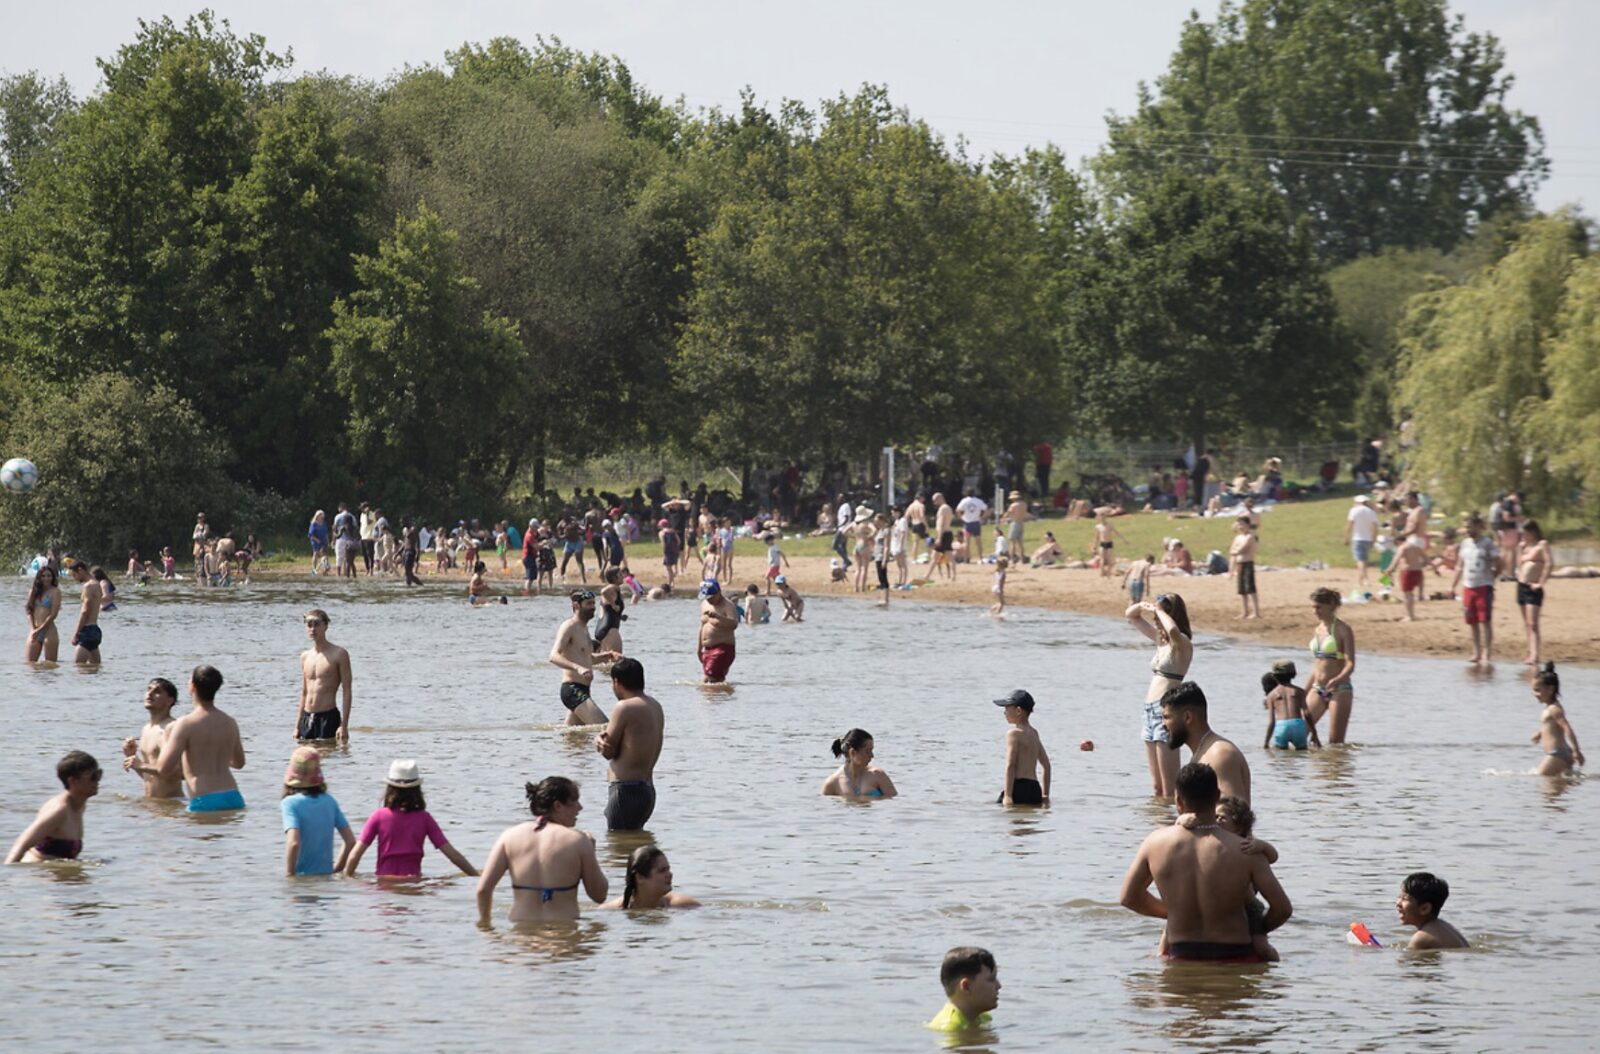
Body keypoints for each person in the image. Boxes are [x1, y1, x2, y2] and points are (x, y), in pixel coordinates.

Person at [1119, 762, 1291, 962]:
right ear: (1217, 796)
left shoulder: (1154, 843)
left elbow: (1129, 898)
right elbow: (1282, 909)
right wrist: (1257, 931)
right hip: (1237, 956)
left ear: (1178, 802)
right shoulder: (1247, 850)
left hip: (1181, 955)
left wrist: (1175, 913)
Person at [475, 776, 608, 924]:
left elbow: (483, 890)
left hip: (521, 937)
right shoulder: (578, 841)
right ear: (558, 806)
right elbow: (600, 895)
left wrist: (485, 924)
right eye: (574, 801)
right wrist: (591, 852)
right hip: (563, 935)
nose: (580, 807)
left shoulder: (508, 836)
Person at [343, 760, 477, 878]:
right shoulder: (424, 818)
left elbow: (355, 855)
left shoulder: (378, 816)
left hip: (384, 882)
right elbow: (452, 854)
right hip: (414, 881)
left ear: (389, 789)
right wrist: (475, 875)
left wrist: (347, 877)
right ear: (417, 790)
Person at [1126, 594, 1193, 798]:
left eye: (1162, 612)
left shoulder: (1182, 642)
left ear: (1172, 613)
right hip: (1149, 711)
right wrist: (1145, 606)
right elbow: (1131, 616)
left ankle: (1175, 824)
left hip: (1168, 712)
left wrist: (1160, 611)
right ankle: (1159, 823)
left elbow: (1172, 630)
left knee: (1170, 791)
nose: (1156, 617)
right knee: (1157, 789)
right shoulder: (1160, 641)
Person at [157, 665, 247, 812]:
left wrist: (166, 738)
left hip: (204, 799)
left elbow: (163, 768)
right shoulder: (230, 721)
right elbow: (239, 763)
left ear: (192, 686)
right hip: (233, 796)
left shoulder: (185, 723)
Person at [594, 658, 664, 831]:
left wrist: (598, 741)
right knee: (633, 846)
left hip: (625, 791)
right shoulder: (655, 705)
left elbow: (608, 751)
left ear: (616, 682)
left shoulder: (624, 707)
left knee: (617, 848)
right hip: (647, 790)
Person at [1162, 681, 1251, 803]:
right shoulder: (1202, 752)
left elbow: (1231, 815)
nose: (1163, 724)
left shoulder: (1219, 754)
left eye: (1167, 717)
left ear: (1187, 717)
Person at [5, 751, 100, 863]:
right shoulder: (59, 810)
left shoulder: (79, 805)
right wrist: (7, 874)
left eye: (99, 774)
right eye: (93, 777)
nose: (98, 781)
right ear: (73, 781)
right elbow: (22, 843)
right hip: (37, 874)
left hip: (55, 877)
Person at [281, 747, 354, 876]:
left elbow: (293, 843)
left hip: (302, 878)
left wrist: (289, 875)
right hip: (326, 878)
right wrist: (336, 868)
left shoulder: (290, 803)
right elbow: (350, 841)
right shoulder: (329, 801)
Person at [550, 591, 615, 726]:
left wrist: (608, 656)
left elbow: (587, 659)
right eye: (588, 604)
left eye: (593, 603)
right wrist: (578, 668)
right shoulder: (569, 626)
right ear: (576, 605)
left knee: (574, 742)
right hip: (572, 689)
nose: (593, 607)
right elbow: (553, 656)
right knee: (605, 727)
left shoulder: (584, 628)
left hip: (584, 689)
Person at [1304, 587, 1356, 744]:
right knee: (1299, 735)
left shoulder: (1343, 630)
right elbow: (1317, 665)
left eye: (1318, 607)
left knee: (1335, 744)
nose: (1315, 611)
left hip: (1339, 690)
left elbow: (1350, 664)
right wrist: (1303, 691)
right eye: (1313, 607)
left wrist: (1338, 679)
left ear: (1331, 605)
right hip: (1318, 688)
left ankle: (1335, 768)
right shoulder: (1318, 630)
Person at [121, 677, 184, 798]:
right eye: (148, 689)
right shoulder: (146, 729)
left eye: (157, 691)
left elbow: (180, 774)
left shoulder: (171, 728)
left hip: (172, 805)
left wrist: (140, 765)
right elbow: (150, 776)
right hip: (152, 804)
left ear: (170, 700)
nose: (150, 694)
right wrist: (132, 757)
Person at [297, 609, 353, 743]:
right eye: (309, 624)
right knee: (305, 761)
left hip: (328, 717)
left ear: (326, 626)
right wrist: (297, 725)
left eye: (316, 624)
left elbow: (347, 691)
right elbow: (304, 693)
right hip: (307, 717)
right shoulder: (305, 656)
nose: (312, 628)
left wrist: (344, 725)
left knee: (328, 760)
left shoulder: (339, 654)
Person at [1451, 514, 1500, 666]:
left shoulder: (1487, 543)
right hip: (1468, 586)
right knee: (1471, 621)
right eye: (1466, 527)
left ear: (1479, 527)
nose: (1467, 530)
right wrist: (1452, 585)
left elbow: (1499, 562)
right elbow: (1460, 566)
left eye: (1470, 527)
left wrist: (1493, 577)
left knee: (1484, 620)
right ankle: (1476, 651)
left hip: (1484, 586)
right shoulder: (1464, 543)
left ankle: (1487, 652)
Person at [926, 946, 1000, 1033]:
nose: (999, 986)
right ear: (966, 986)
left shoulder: (984, 1017)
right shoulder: (950, 1027)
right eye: (991, 979)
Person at [996, 689, 1051, 806]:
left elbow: (1011, 765)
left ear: (1018, 711)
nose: (1004, 712)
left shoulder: (1014, 734)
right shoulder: (1034, 733)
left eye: (1007, 708)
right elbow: (1046, 765)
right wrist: (1045, 795)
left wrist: (1008, 795)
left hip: (1018, 787)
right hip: (1035, 789)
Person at [1529, 663, 1584, 775]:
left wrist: (1577, 751)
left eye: (1538, 690)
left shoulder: (1554, 709)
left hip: (1558, 754)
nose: (1535, 694)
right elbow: (1552, 726)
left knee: (1541, 777)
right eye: (1534, 690)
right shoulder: (1549, 708)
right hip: (1560, 753)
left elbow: (1567, 728)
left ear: (1550, 689)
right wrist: (1540, 734)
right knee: (1555, 787)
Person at [603, 846, 700, 909]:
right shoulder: (612, 909)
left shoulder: (684, 905)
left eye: (668, 869)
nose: (670, 874)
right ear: (640, 877)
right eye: (662, 871)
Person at [1396, 872, 1469, 950]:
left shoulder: (1420, 939)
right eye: (1399, 897)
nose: (1398, 903)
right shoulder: (1443, 926)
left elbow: (1406, 961)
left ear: (1424, 909)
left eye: (1405, 899)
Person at [1516, 519, 1553, 665]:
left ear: (1532, 532)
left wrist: (1540, 583)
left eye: (1525, 533)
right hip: (1521, 586)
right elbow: (1519, 564)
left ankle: (1535, 655)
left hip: (1533, 588)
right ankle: (1529, 651)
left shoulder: (1541, 544)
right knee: (1526, 623)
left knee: (1533, 623)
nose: (1523, 536)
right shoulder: (1523, 545)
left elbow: (1549, 564)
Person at [820, 728, 897, 798]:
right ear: (852, 752)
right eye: (867, 751)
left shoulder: (877, 774)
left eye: (872, 750)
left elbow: (893, 803)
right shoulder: (832, 783)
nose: (872, 755)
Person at [1261, 662, 1319, 751]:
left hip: (1281, 725)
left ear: (1274, 677)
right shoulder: (1300, 691)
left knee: (1280, 755)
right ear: (1294, 675)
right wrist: (1314, 733)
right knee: (1302, 753)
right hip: (1298, 725)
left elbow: (1272, 721)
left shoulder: (1271, 695)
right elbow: (1306, 713)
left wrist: (1266, 742)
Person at [697, 579, 739, 684]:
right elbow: (702, 626)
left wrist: (718, 616)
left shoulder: (727, 605)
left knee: (708, 681)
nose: (709, 600)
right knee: (717, 683)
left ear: (719, 592)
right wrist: (698, 648)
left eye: (711, 597)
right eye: (707, 597)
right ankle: (722, 700)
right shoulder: (704, 604)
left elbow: (734, 624)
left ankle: (713, 700)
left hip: (722, 649)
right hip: (707, 649)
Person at [65, 560, 103, 665]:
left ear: (80, 570)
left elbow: (85, 611)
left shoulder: (88, 586)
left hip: (87, 630)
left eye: (74, 575)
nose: (74, 579)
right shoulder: (97, 584)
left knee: (79, 668)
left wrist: (76, 633)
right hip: (95, 630)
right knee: (95, 668)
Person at [24, 565, 61, 662]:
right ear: (39, 577)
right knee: (30, 664)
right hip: (34, 630)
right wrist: (33, 629)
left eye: (49, 576)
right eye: (43, 576)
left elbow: (53, 614)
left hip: (49, 630)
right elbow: (29, 611)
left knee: (50, 665)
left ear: (53, 577)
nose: (46, 578)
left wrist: (40, 629)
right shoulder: (33, 592)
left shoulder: (55, 591)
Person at [1344, 494, 1380, 588]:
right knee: (1364, 560)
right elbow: (1376, 526)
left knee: (1360, 560)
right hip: (1367, 539)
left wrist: (1346, 537)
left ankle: (1364, 579)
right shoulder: (1371, 511)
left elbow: (1350, 524)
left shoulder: (1354, 510)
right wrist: (1374, 539)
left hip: (1357, 538)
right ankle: (1362, 579)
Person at [1229, 517, 1260, 619]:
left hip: (1248, 563)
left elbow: (1242, 549)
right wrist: (1231, 569)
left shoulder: (1250, 536)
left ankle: (1256, 612)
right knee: (1242, 590)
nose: (1240, 527)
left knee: (1250, 588)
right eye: (1239, 524)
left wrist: (1235, 550)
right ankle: (1245, 612)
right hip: (1239, 564)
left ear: (1247, 525)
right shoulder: (1238, 538)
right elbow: (1232, 552)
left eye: (1242, 524)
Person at [1396, 534, 1427, 620]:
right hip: (1418, 571)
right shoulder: (1416, 547)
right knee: (1410, 593)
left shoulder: (1402, 547)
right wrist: (1434, 568)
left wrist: (1389, 570)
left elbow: (1396, 559)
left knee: (1407, 594)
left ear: (1398, 542)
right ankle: (1420, 596)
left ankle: (1410, 615)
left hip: (1408, 571)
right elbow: (1426, 558)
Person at [956, 490, 989, 561]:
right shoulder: (978, 501)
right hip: (976, 523)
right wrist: (982, 517)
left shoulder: (964, 501)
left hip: (967, 524)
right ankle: (981, 558)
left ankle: (966, 559)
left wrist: (961, 518)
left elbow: (958, 510)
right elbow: (986, 509)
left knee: (967, 542)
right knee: (978, 541)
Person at [1095, 509, 1127, 579]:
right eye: (1100, 516)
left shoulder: (1109, 525)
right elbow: (1097, 537)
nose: (1102, 518)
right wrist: (1095, 545)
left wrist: (1124, 540)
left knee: (1109, 559)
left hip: (1109, 543)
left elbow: (1117, 533)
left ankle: (1108, 574)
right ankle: (1102, 573)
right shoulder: (1098, 526)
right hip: (1102, 543)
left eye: (1103, 516)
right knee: (1102, 559)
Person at [307, 510, 330, 575]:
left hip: (323, 541)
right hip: (316, 541)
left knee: (324, 555)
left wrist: (327, 541)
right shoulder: (313, 524)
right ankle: (314, 568)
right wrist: (317, 540)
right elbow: (310, 534)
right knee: (316, 553)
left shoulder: (324, 523)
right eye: (321, 515)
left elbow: (326, 533)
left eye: (323, 515)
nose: (323, 516)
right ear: (317, 516)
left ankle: (324, 569)